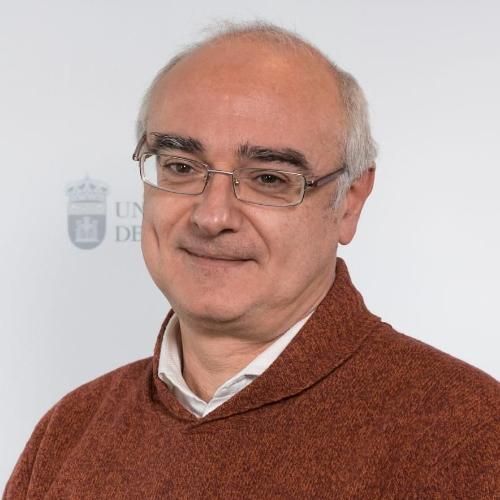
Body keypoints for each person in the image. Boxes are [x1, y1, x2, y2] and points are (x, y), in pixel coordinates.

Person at [5, 22, 499, 499]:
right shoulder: (70, 431)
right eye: (181, 167)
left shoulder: (469, 438)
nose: (212, 216)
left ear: (349, 201)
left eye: (269, 178)